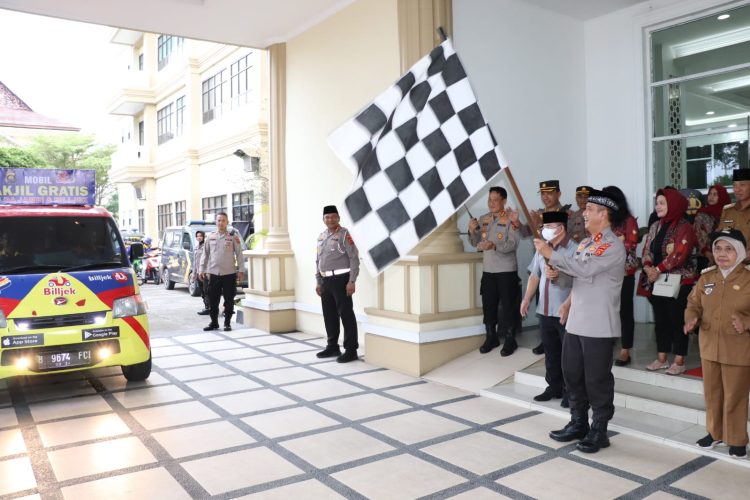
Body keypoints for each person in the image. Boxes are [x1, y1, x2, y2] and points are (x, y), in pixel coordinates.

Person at [534, 187, 626, 454]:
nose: (583, 213)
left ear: (604, 214)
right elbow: (573, 277)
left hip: (598, 324)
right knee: (572, 374)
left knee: (596, 379)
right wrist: (557, 276)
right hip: (576, 321)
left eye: (589, 210)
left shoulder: (612, 246)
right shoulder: (586, 242)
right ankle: (578, 423)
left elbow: (585, 268)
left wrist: (553, 254)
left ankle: (600, 429)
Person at [684, 229, 750, 459]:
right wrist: (691, 318)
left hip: (738, 349)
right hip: (710, 346)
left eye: (729, 249)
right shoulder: (707, 277)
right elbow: (693, 303)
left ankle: (737, 439)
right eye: (718, 249)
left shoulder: (748, 278)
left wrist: (746, 322)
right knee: (712, 394)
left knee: (735, 395)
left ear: (740, 252)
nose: (722, 254)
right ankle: (715, 433)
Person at [639, 188, 697, 375]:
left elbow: (680, 253)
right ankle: (662, 358)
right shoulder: (655, 225)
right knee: (661, 320)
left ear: (673, 204)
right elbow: (647, 249)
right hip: (658, 280)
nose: (658, 206)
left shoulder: (684, 226)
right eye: (657, 203)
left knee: (676, 320)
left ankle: (679, 360)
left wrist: (657, 269)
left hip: (680, 282)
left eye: (662, 203)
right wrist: (648, 267)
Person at [520, 211, 576, 406]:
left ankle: (571, 392)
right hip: (544, 310)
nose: (545, 230)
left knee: (569, 355)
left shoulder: (574, 249)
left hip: (565, 311)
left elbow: (580, 282)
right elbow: (534, 275)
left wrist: (559, 276)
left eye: (549, 226)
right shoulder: (542, 248)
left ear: (561, 228)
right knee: (551, 353)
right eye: (544, 226)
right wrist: (526, 298)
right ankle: (554, 386)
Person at [469, 187, 522, 356]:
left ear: (504, 201)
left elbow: (513, 244)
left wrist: (494, 245)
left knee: (508, 306)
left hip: (506, 270)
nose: (492, 203)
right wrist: (472, 230)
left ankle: (509, 339)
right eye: (489, 200)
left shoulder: (510, 220)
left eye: (496, 200)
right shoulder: (484, 219)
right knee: (489, 305)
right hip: (489, 270)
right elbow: (476, 242)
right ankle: (491, 336)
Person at [522, 180, 571, 355]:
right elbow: (525, 233)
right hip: (545, 299)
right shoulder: (539, 215)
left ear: (558, 193)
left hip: (565, 301)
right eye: (542, 193)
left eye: (549, 193)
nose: (545, 196)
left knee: (567, 352)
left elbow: (578, 278)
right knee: (551, 354)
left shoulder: (568, 214)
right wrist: (526, 298)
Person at [315, 205, 360, 363]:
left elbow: (354, 258)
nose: (330, 219)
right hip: (325, 281)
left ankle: (351, 349)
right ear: (323, 219)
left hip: (342, 280)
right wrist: (318, 281)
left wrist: (351, 281)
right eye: (327, 217)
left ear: (338, 218)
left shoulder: (345, 234)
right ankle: (332, 346)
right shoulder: (322, 236)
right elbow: (318, 260)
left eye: (333, 216)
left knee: (346, 314)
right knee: (329, 315)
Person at [604, 186, 640, 367]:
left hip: (625, 273)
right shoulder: (605, 220)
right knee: (608, 310)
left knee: (625, 311)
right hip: (605, 274)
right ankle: (608, 341)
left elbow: (631, 246)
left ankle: (626, 350)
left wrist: (614, 246)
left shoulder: (628, 221)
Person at [200, 212, 244, 332]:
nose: (221, 223)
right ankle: (214, 322)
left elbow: (239, 254)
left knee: (229, 300)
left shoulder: (233, 237)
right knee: (213, 300)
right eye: (219, 220)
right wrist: (202, 269)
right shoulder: (210, 237)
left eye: (223, 220)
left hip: (229, 274)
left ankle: (227, 323)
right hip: (214, 273)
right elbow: (205, 254)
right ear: (216, 222)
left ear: (227, 222)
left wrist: (241, 269)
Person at [693, 184, 731, 271]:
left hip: (727, 257)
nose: (711, 197)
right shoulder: (701, 214)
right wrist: (707, 252)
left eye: (715, 194)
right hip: (706, 258)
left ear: (722, 196)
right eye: (710, 194)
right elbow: (697, 236)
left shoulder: (729, 214)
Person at [718, 168, 750, 256]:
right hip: (729, 263)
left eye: (742, 185)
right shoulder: (728, 211)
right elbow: (721, 235)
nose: (737, 189)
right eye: (734, 185)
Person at [193, 230, 211, 316]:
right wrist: (194, 273)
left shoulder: (206, 246)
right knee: (202, 291)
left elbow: (209, 260)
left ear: (204, 237)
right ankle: (206, 306)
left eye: (200, 236)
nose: (199, 237)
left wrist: (207, 271)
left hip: (205, 273)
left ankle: (209, 308)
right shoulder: (196, 247)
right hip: (198, 273)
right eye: (197, 236)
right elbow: (194, 262)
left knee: (206, 290)